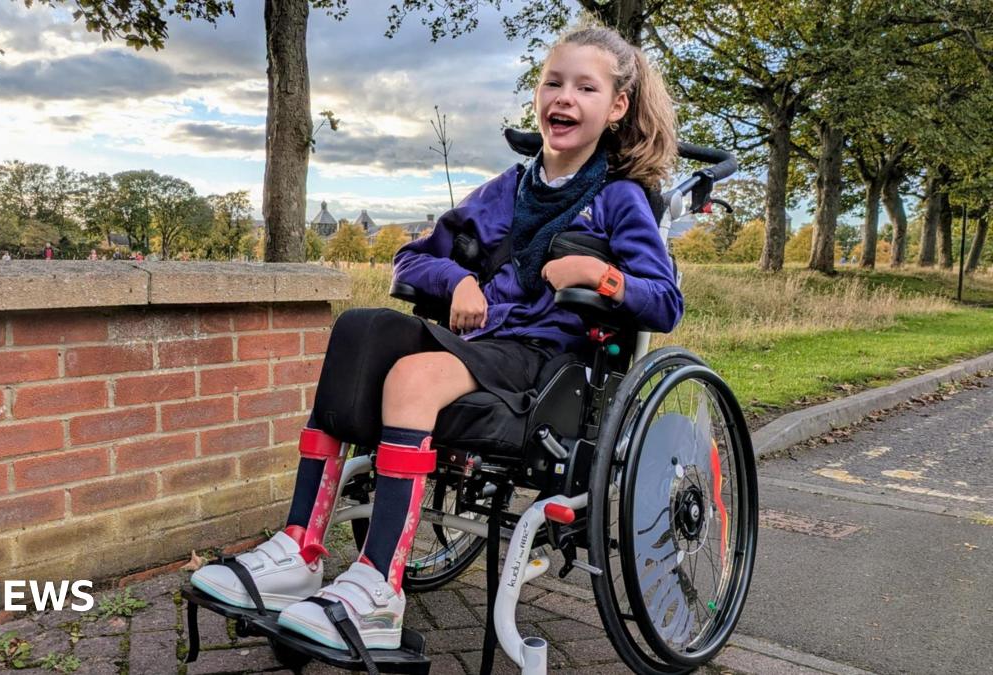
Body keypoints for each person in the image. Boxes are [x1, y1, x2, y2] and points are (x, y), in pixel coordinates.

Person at [191, 23, 682, 652]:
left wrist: (600, 275)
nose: (564, 96)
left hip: (547, 362)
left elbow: (664, 301)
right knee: (360, 330)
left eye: (585, 87)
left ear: (615, 107)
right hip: (484, 342)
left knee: (414, 376)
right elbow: (408, 261)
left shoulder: (621, 199)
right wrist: (457, 282)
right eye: (553, 82)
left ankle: (376, 588)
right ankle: (300, 548)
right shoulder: (505, 191)